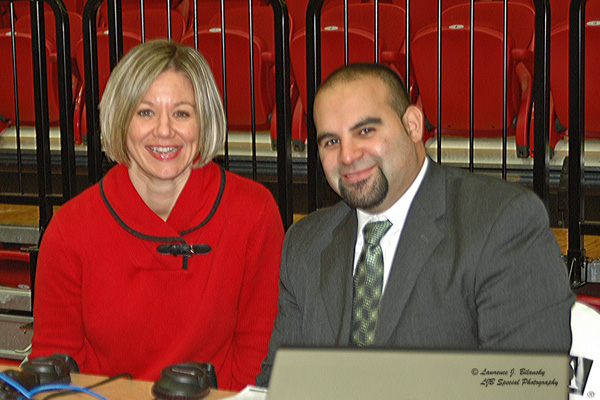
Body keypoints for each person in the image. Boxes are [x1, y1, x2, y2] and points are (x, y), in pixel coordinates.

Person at [255, 63, 574, 386]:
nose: (348, 156)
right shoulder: (305, 243)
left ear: (412, 125)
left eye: (365, 131)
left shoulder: (501, 223)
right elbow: (278, 385)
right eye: (330, 142)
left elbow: (527, 386)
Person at [30, 39, 285, 391]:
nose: (164, 131)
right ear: (121, 119)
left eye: (182, 113)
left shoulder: (254, 213)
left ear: (204, 120)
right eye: (145, 112)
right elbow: (55, 373)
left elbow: (257, 358)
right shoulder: (69, 229)